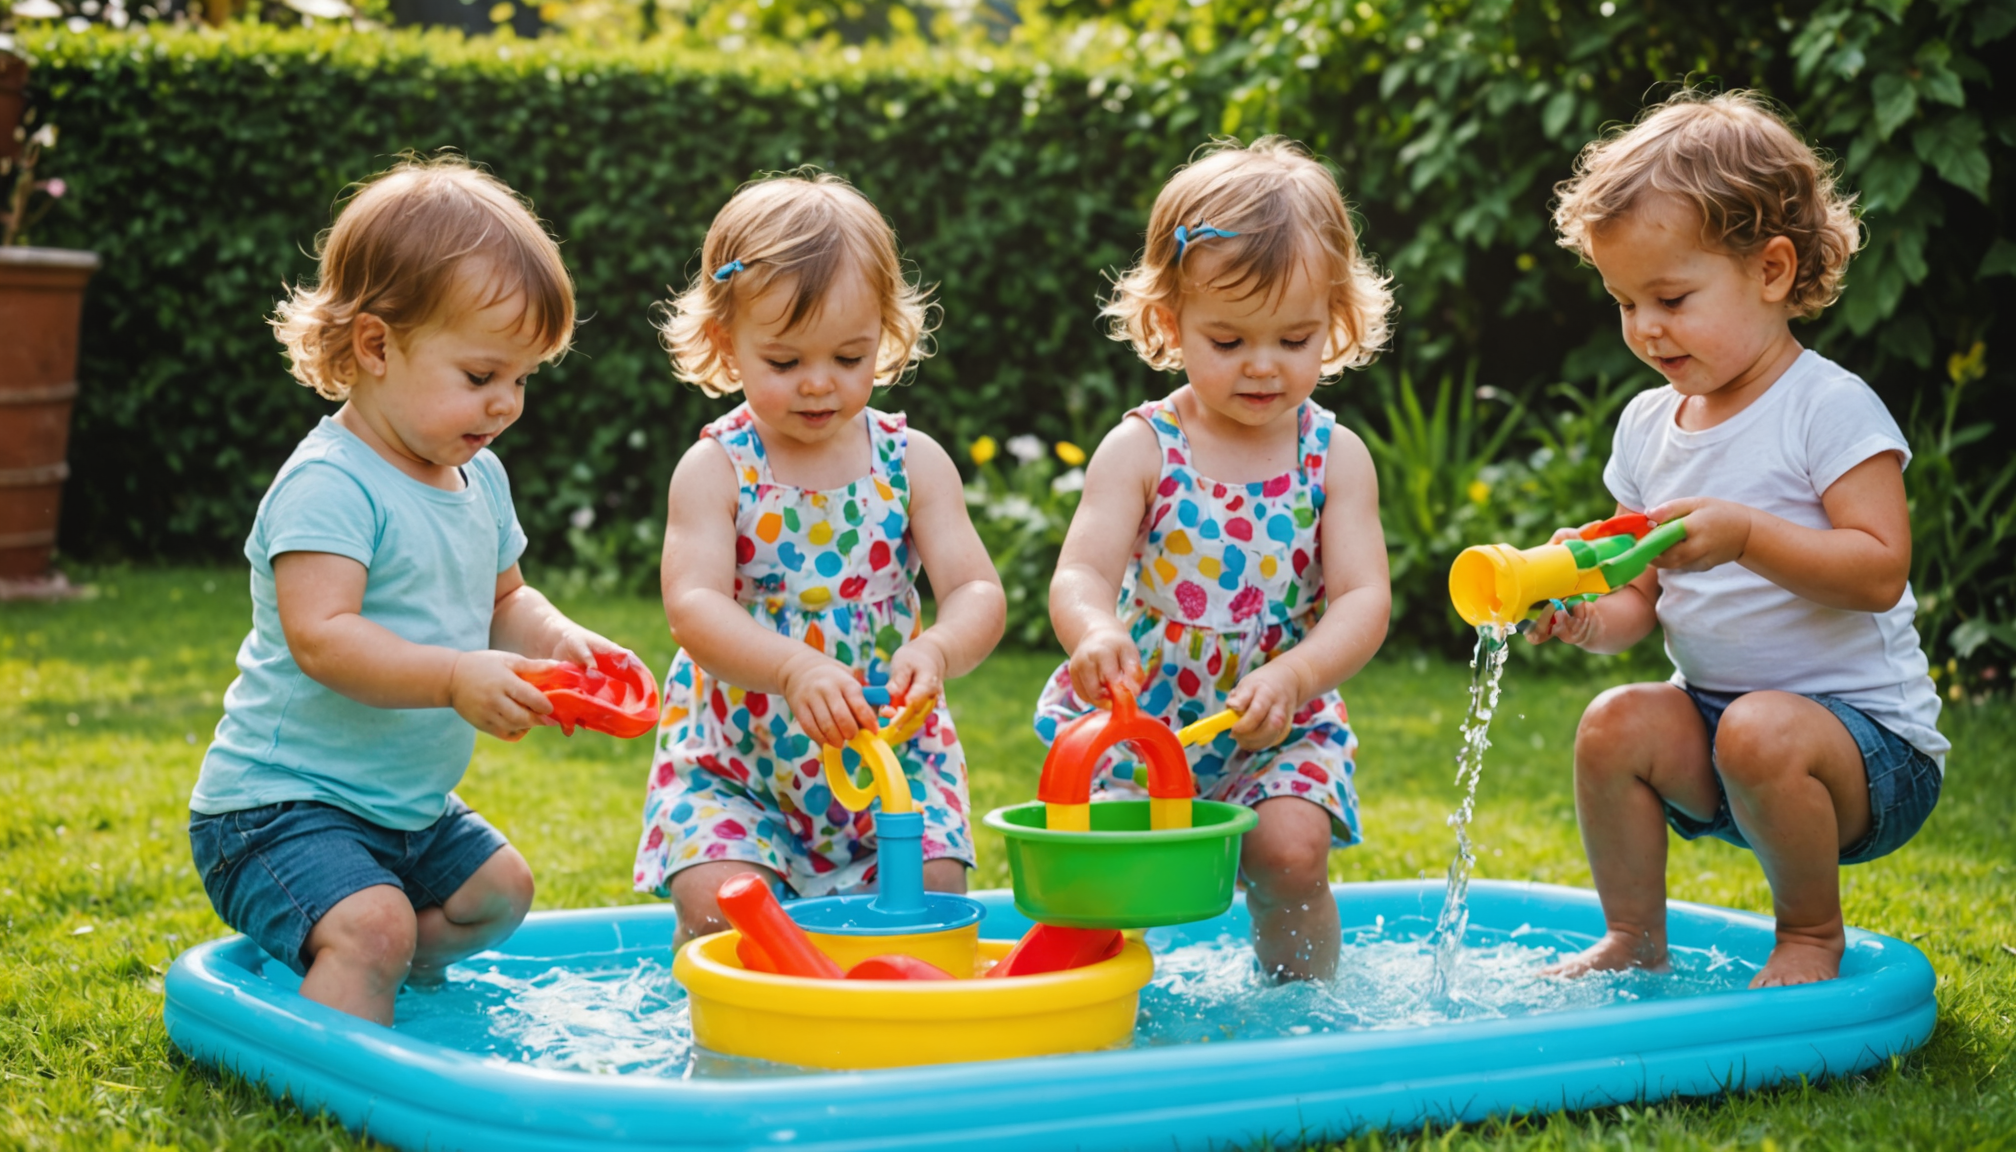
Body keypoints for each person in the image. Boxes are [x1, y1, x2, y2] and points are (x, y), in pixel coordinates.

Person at [190, 155, 629, 1025]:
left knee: (501, 894)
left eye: (522, 379)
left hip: (404, 809)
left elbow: (507, 598)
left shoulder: (480, 476)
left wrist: (561, 640)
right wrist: (455, 676)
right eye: (480, 377)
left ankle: (352, 974)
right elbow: (323, 637)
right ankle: (344, 1040)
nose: (506, 403)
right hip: (278, 807)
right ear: (377, 345)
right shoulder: (330, 485)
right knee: (378, 921)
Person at [1530, 91, 1945, 987]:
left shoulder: (1826, 408)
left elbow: (1879, 571)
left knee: (1760, 729)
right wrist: (1583, 603)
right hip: (1718, 730)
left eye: (1671, 297)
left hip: (1868, 752)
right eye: (1625, 302)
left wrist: (1747, 536)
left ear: (1771, 269)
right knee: (1613, 725)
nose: (1645, 327)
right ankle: (1633, 936)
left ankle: (1808, 936)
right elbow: (1639, 603)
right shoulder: (1647, 425)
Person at [1038, 138, 1393, 982]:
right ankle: (1107, 1011)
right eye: (1229, 340)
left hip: (1279, 718)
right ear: (1171, 324)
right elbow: (1081, 572)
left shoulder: (1333, 457)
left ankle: (1299, 1008)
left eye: (1296, 337)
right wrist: (1091, 632)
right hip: (1140, 723)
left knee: (1293, 853)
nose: (1264, 364)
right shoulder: (1143, 448)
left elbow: (1361, 600)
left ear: (1335, 325)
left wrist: (1298, 678)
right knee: (1108, 887)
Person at [636, 171, 1005, 947]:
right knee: (717, 904)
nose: (817, 384)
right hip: (740, 765)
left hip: (891, 757)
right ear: (723, 343)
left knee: (930, 897)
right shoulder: (717, 469)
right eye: (784, 360)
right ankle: (726, 1053)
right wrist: (792, 668)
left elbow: (974, 586)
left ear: (885, 337)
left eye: (848, 356)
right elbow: (693, 606)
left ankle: (899, 1053)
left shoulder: (912, 462)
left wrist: (937, 646)